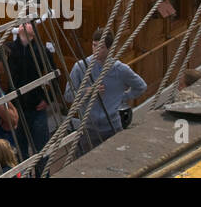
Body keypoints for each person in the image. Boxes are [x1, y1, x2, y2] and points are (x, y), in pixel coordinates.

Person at [63, 29, 148, 157]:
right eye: (94, 45)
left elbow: (141, 86)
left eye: (101, 47)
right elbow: (68, 96)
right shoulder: (80, 67)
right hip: (87, 129)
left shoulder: (120, 70)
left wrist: (121, 97)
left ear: (109, 48)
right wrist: (87, 91)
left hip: (112, 127)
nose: (96, 49)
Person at [8, 21, 57, 160]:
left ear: (34, 31)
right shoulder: (9, 49)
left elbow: (55, 76)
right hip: (17, 108)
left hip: (37, 108)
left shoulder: (42, 51)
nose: (25, 23)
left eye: (29, 22)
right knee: (19, 152)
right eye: (23, 22)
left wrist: (48, 99)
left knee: (41, 152)